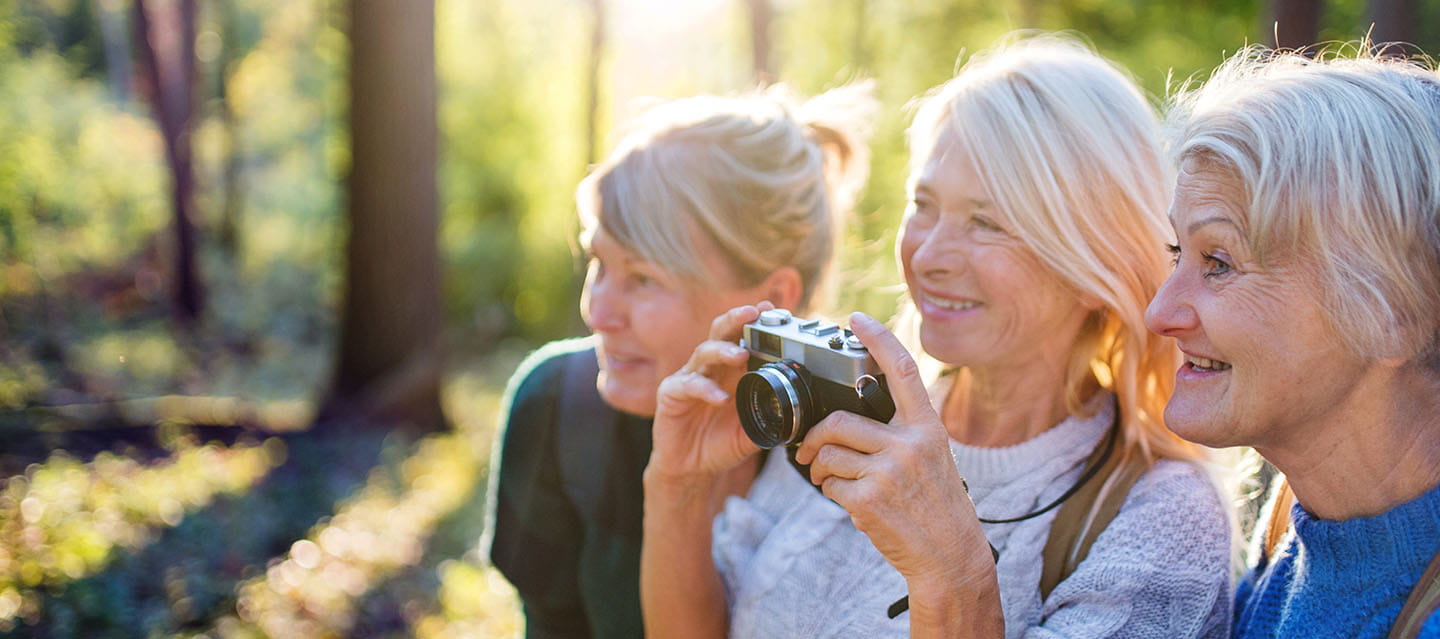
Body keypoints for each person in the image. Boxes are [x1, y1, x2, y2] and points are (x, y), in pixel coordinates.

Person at [642, 35, 1232, 638]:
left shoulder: (1162, 522)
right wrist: (680, 489)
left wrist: (952, 575)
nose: (928, 255)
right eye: (923, 204)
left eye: (987, 221)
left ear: (1094, 264)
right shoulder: (849, 414)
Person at [484, 85, 873, 638]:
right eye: (599, 264)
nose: (597, 311)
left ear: (773, 302)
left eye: (643, 279)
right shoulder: (556, 411)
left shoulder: (848, 465)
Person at [1148, 46, 1440, 639]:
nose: (1159, 313)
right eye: (1178, 253)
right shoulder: (1291, 520)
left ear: (1394, 314)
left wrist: (959, 583)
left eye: (1220, 262)